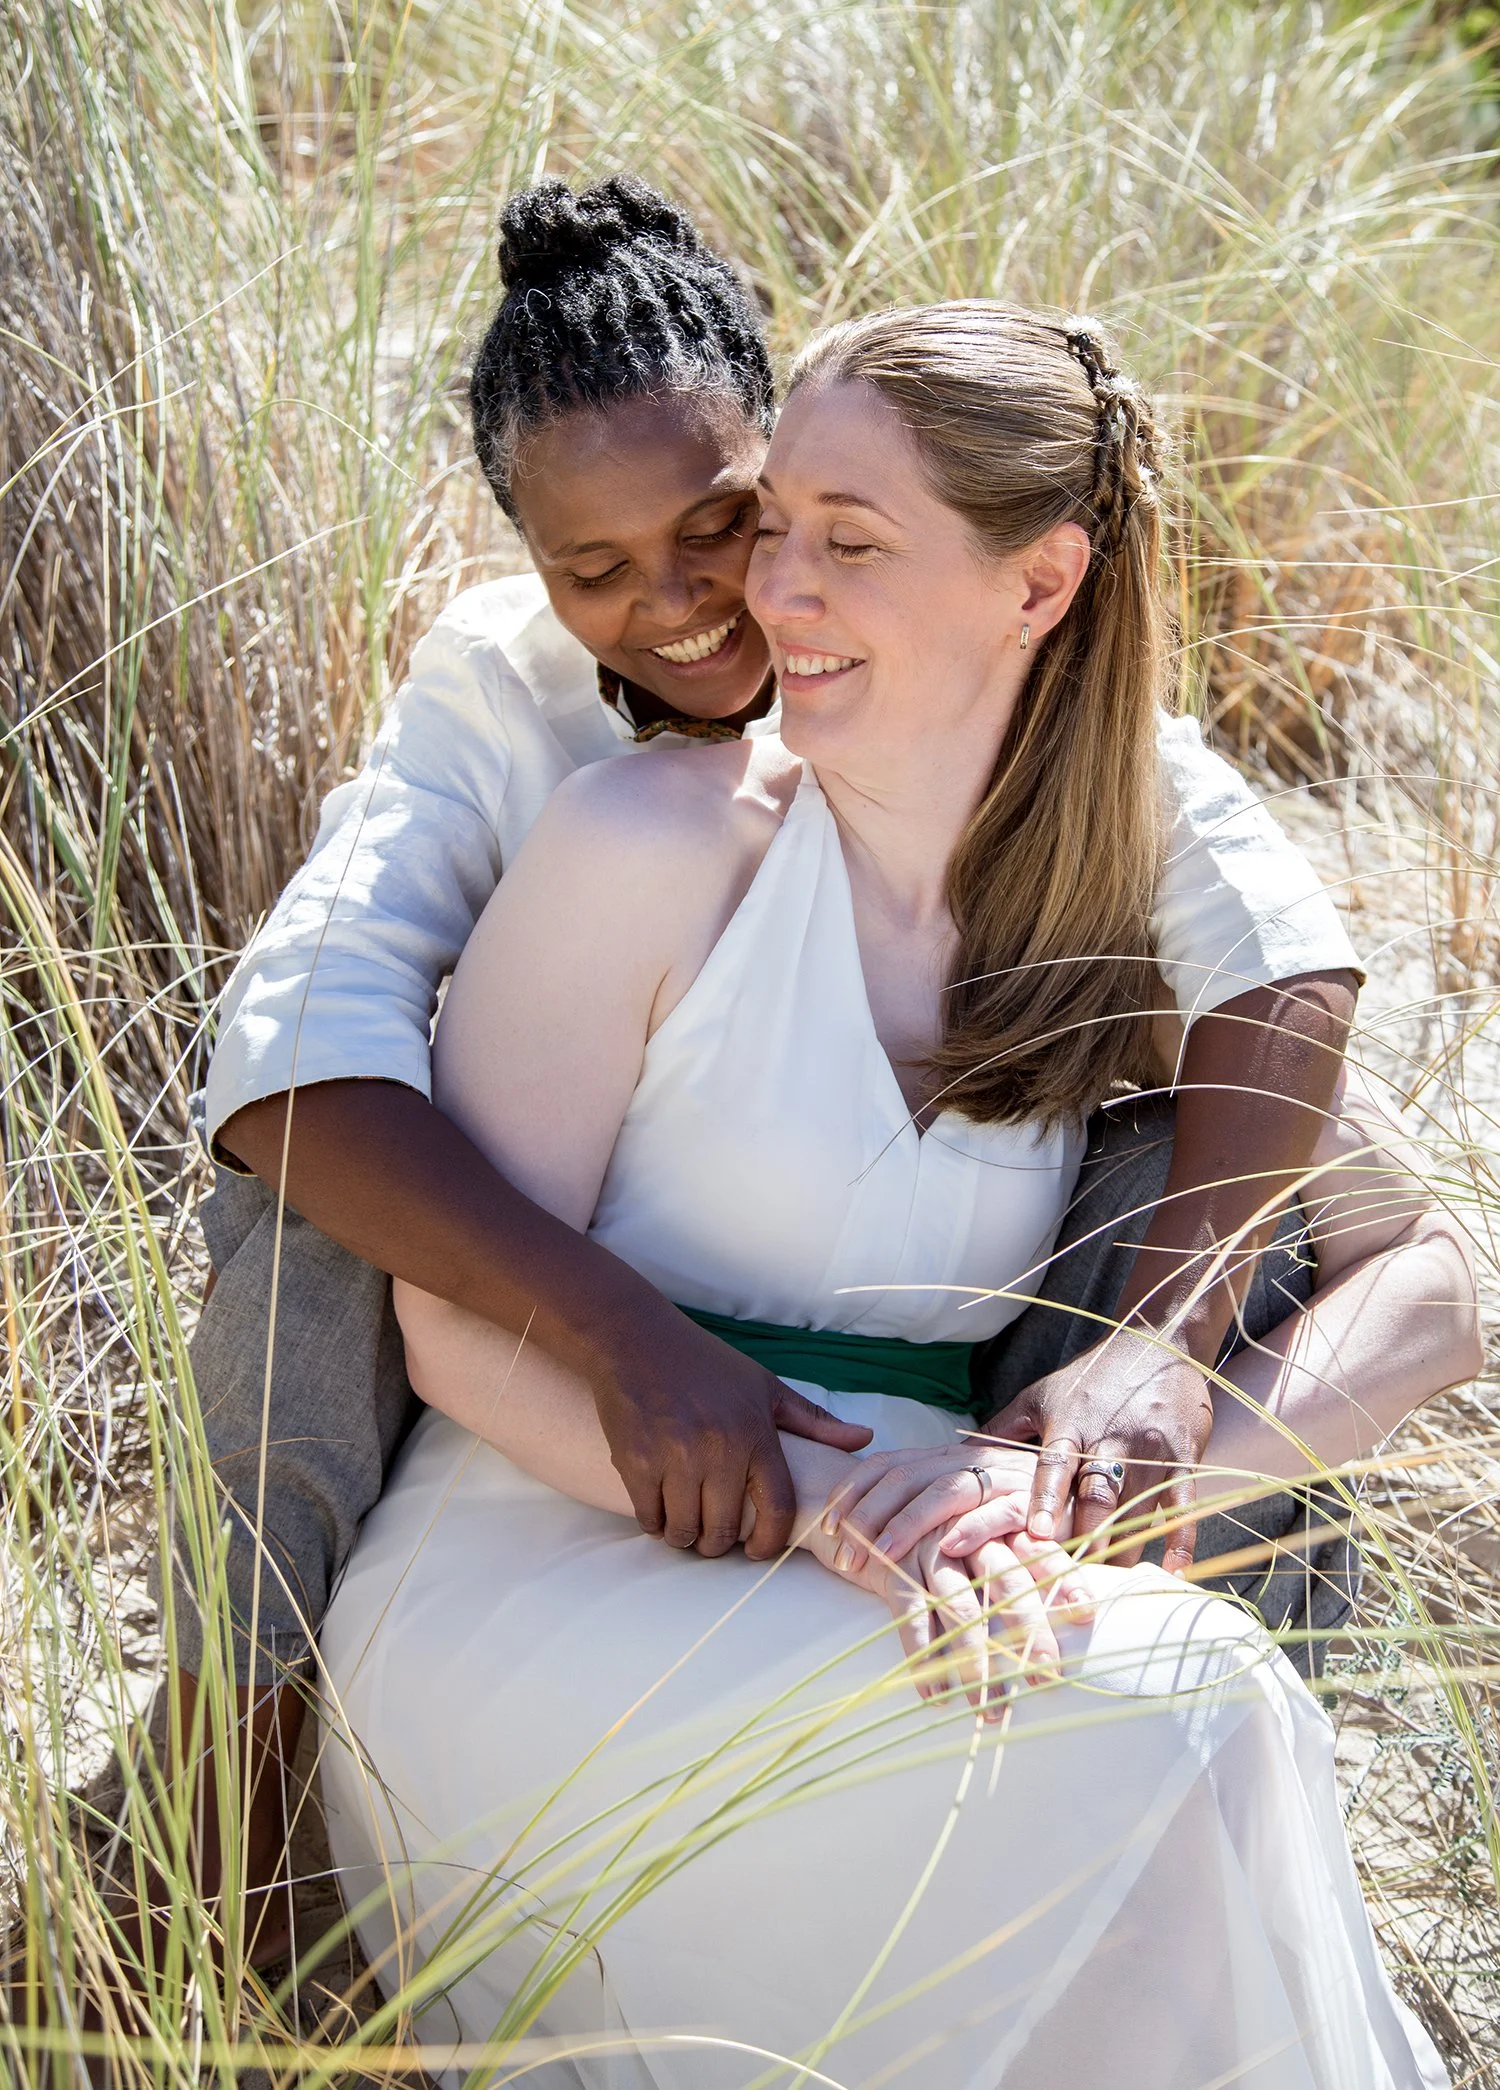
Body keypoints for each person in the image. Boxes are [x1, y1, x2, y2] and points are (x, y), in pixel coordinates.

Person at [180, 180, 1467, 1958]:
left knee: (1203, 1168)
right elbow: (292, 1067)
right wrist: (638, 1346)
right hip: (553, 1349)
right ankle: (237, 1795)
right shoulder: (509, 698)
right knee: (326, 1211)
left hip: (926, 1383)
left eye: (731, 522)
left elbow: (1289, 982)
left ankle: (1192, 1693)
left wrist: (1161, 1357)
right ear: (537, 575)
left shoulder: (1004, 727)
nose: (704, 603)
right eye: (597, 571)